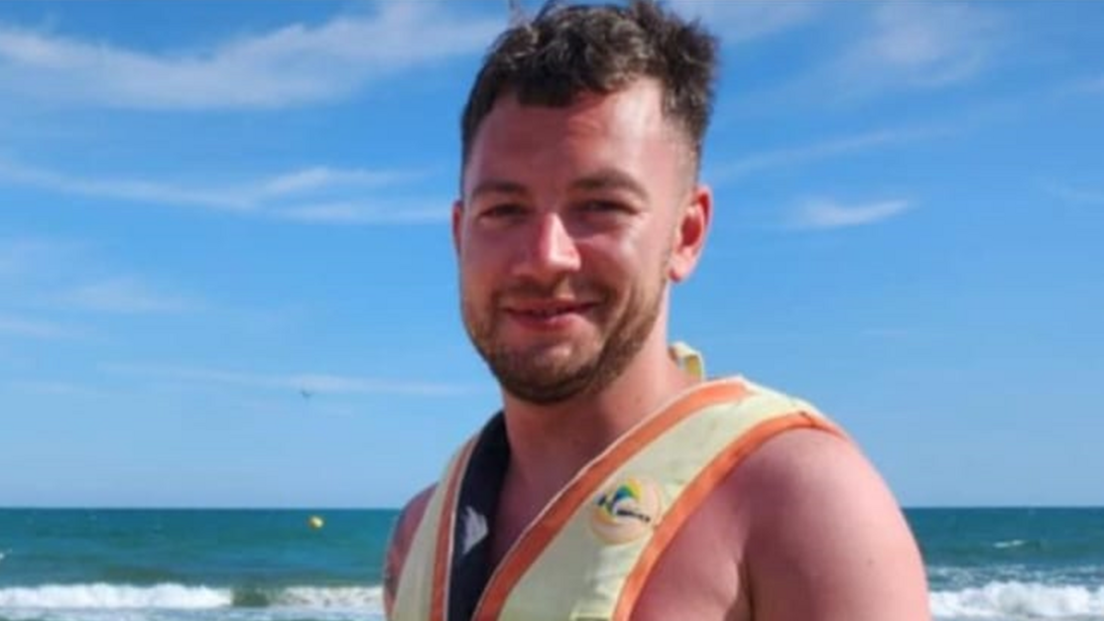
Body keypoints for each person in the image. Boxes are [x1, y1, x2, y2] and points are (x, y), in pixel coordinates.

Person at [383, 1, 930, 619]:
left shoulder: (796, 505)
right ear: (460, 235)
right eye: (504, 211)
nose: (544, 258)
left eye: (601, 206)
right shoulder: (423, 529)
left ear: (686, 234)